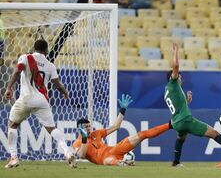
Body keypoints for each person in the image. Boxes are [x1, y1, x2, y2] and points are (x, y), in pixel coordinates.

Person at [165, 43, 221, 167]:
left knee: (181, 139)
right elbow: (176, 65)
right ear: (173, 77)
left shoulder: (167, 91)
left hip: (176, 122)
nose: (180, 78)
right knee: (214, 133)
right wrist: (175, 51)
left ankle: (175, 162)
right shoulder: (173, 83)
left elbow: (175, 105)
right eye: (179, 76)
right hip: (185, 120)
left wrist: (186, 101)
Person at [4, 39, 76, 168]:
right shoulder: (50, 65)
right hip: (42, 101)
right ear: (46, 51)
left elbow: (16, 71)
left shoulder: (25, 58)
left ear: (34, 48)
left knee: (12, 125)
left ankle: (14, 157)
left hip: (25, 99)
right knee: (52, 129)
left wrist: (9, 88)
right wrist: (65, 92)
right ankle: (67, 151)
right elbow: (57, 84)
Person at [73, 94, 170, 166]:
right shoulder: (77, 143)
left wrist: (123, 109)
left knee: (141, 135)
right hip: (104, 159)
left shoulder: (96, 133)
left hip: (114, 149)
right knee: (109, 161)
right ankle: (123, 163)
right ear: (79, 128)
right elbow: (81, 155)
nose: (89, 128)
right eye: (86, 126)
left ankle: (170, 125)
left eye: (89, 126)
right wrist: (84, 139)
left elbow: (116, 126)